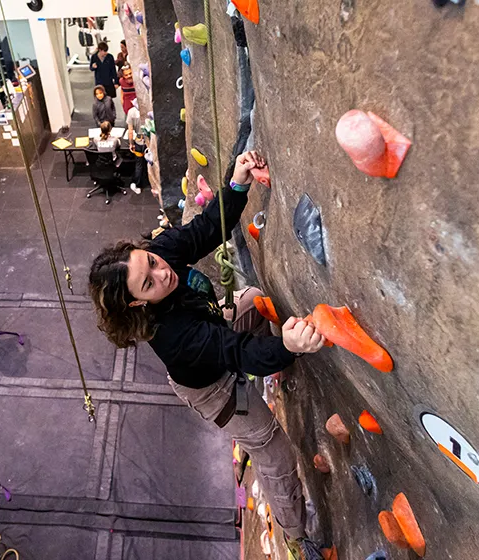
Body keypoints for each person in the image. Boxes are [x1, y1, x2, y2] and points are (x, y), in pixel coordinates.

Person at [87, 151, 329, 560]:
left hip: (213, 329)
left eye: (151, 262)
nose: (162, 273)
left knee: (251, 300)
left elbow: (204, 230)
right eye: (148, 283)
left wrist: (237, 183)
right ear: (136, 305)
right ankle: (297, 534)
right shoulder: (173, 336)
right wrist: (287, 348)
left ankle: (277, 366)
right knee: (275, 450)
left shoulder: (161, 254)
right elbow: (235, 353)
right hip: (211, 386)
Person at [125, 98, 147, 196]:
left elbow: (130, 131)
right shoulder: (147, 111)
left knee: (139, 164)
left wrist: (131, 143)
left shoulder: (131, 112)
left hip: (139, 142)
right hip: (149, 141)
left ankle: (138, 186)